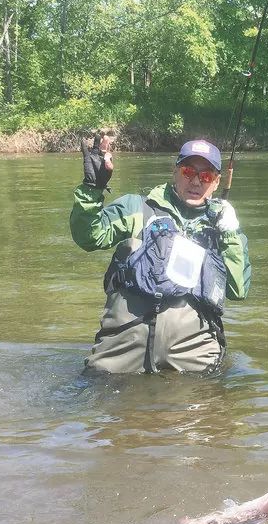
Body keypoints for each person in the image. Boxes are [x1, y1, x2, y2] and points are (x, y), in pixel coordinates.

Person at [70, 134, 251, 374]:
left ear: (216, 183)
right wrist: (92, 189)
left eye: (206, 176)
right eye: (189, 172)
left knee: (211, 409)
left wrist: (230, 233)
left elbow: (238, 289)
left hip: (194, 356)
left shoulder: (223, 228)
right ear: (175, 171)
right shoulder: (136, 208)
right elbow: (88, 237)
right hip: (120, 350)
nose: (196, 182)